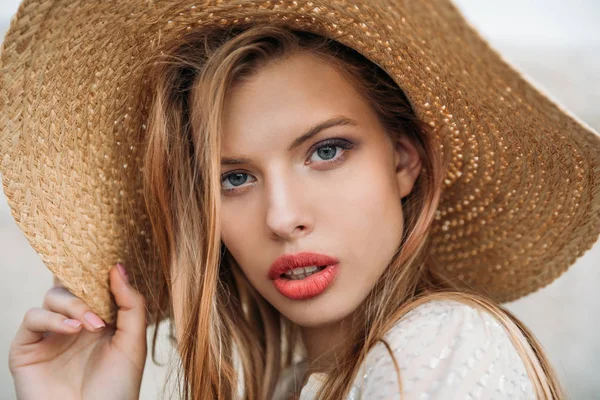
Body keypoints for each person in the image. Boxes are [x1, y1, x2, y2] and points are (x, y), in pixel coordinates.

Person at [3, 2, 599, 400]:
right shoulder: (300, 383)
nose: (284, 218)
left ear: (403, 160)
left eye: (327, 151)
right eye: (233, 179)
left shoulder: (434, 345)